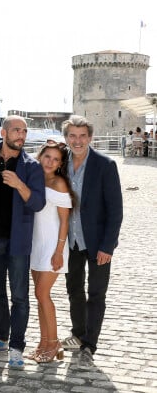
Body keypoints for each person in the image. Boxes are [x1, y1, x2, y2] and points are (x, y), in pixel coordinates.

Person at [0, 115, 45, 369]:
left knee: (20, 296)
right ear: (4, 133)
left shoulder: (32, 167)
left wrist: (19, 184)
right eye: (17, 130)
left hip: (18, 241)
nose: (22, 135)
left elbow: (38, 203)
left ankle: (17, 346)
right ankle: (0, 337)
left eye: (25, 131)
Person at [60, 115, 123, 368]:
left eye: (82, 136)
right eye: (72, 136)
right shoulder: (60, 164)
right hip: (71, 242)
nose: (77, 141)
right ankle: (78, 333)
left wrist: (108, 246)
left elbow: (115, 210)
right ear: (66, 138)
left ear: (90, 138)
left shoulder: (105, 165)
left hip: (97, 243)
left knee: (96, 294)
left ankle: (89, 344)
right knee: (74, 290)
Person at [29, 141, 74, 363]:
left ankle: (54, 342)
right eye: (48, 157)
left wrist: (58, 251)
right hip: (36, 244)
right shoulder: (35, 178)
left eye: (56, 159)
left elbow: (65, 221)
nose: (51, 162)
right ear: (41, 156)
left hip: (53, 246)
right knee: (39, 296)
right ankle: (43, 341)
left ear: (60, 164)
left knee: (42, 294)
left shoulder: (60, 183)